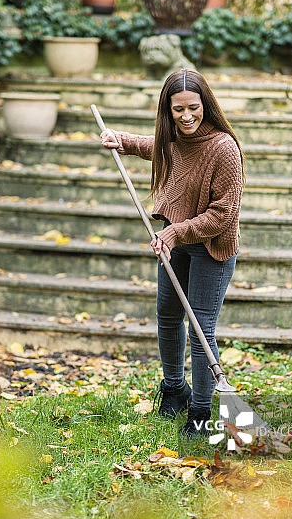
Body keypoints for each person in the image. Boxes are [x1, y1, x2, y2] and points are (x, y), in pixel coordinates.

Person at [100, 68, 244, 438]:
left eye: (193, 108)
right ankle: (174, 389)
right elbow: (156, 148)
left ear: (205, 105)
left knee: (200, 329)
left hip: (211, 247)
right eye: (177, 109)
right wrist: (121, 140)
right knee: (167, 313)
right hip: (176, 240)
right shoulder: (175, 139)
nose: (186, 117)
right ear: (168, 109)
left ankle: (199, 410)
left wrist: (176, 232)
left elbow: (223, 213)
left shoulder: (224, 148)